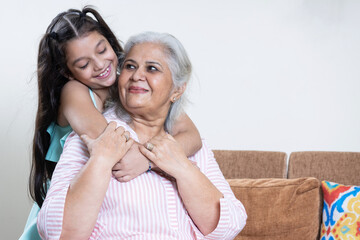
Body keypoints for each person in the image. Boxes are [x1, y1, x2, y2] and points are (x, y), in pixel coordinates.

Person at [37, 31, 247, 239]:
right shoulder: (96, 135)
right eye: (130, 66)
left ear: (177, 90)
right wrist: (101, 160)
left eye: (152, 68)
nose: (137, 75)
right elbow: (56, 231)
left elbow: (230, 225)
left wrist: (178, 166)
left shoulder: (188, 145)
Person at [20, 7, 201, 240]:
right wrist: (157, 158)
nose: (99, 65)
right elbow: (114, 145)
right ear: (67, 71)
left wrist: (148, 159)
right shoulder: (75, 92)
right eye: (84, 64)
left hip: (108, 213)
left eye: (102, 50)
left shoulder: (130, 84)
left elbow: (191, 136)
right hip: (71, 210)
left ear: (109, 41)